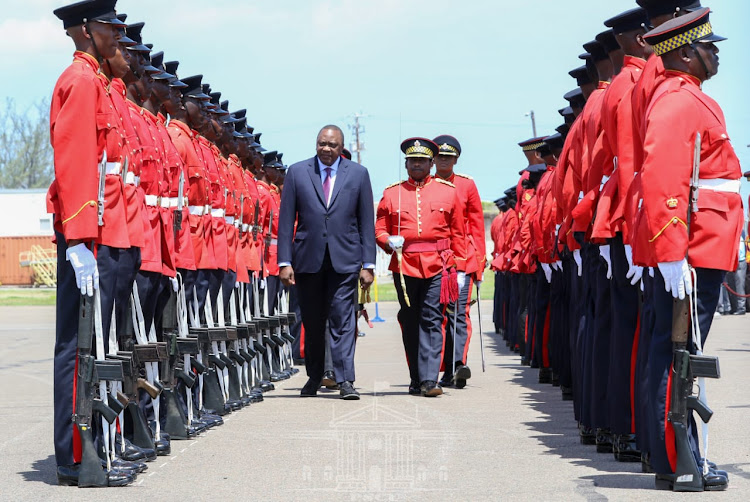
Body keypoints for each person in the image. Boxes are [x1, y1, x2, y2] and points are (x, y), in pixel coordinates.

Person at [634, 8, 740, 491]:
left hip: (703, 241)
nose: (715, 52)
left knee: (679, 353)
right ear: (684, 52)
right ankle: (679, 458)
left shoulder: (692, 97)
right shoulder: (677, 101)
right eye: (708, 46)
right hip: (693, 245)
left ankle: (677, 456)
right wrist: (674, 250)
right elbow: (663, 179)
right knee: (677, 353)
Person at [49, 0, 135, 486]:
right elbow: (76, 159)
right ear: (85, 29)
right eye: (110, 26)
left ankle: (93, 450)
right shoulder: (80, 81)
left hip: (98, 231)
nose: (116, 35)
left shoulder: (95, 81)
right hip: (85, 233)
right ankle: (75, 457)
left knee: (94, 344)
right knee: (78, 348)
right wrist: (80, 238)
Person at [278, 125, 376, 400]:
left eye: (332, 145)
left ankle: (345, 380)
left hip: (345, 261)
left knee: (343, 319)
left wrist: (368, 264)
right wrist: (284, 261)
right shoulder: (297, 172)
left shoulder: (358, 174)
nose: (327, 149)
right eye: (322, 143)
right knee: (313, 320)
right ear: (316, 144)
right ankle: (314, 375)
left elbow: (366, 222)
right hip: (307, 260)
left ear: (341, 146)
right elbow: (286, 221)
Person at [375, 138, 467, 397]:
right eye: (412, 160)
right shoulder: (392, 193)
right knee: (410, 320)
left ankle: (429, 380)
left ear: (430, 163)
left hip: (439, 265)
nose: (417, 164)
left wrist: (459, 269)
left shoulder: (448, 191)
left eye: (422, 161)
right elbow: (380, 228)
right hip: (405, 266)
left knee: (432, 319)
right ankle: (416, 377)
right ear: (406, 163)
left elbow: (458, 233)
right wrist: (387, 241)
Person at [432, 135, 485, 389]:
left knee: (458, 315)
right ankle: (441, 368)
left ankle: (457, 364)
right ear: (433, 159)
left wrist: (479, 264)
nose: (444, 160)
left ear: (456, 159)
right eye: (440, 156)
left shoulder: (467, 186)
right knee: (438, 317)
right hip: (434, 261)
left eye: (449, 157)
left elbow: (476, 227)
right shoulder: (426, 184)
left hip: (462, 260)